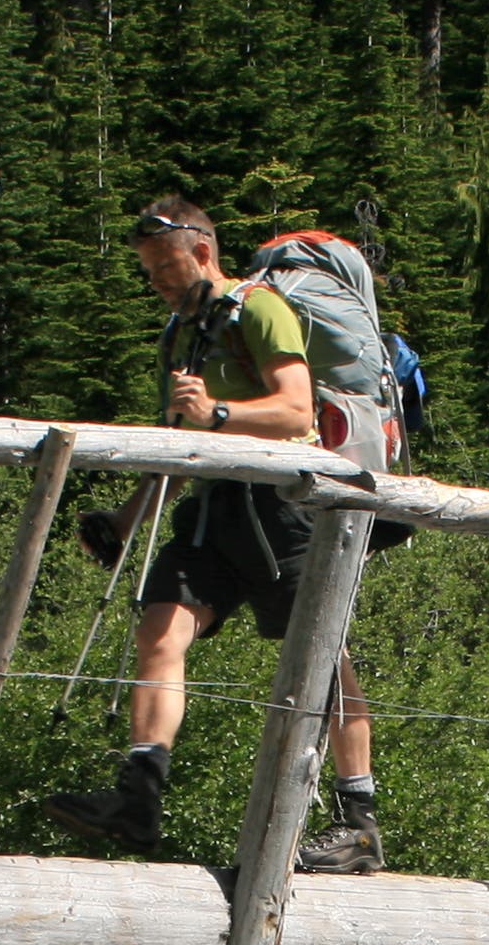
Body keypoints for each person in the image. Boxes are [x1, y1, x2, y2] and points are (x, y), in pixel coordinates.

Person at [43, 195, 382, 873]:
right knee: (159, 631)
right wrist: (124, 520)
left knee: (323, 658)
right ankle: (139, 798)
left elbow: (294, 408)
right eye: (148, 272)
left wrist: (218, 410)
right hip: (214, 508)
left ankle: (360, 824)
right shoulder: (181, 333)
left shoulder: (259, 309)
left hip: (283, 508)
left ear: (203, 251)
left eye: (165, 266)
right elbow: (180, 441)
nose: (159, 283)